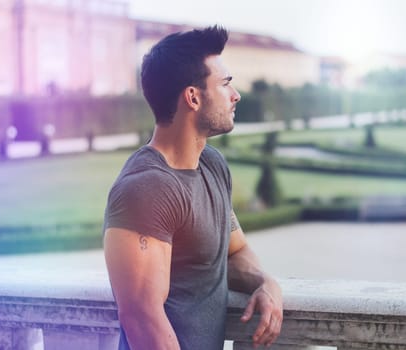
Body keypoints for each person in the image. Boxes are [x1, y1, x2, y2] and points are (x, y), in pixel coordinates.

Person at [103, 25, 283, 350]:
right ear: (193, 97)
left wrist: (266, 283)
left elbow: (233, 252)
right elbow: (143, 320)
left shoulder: (212, 165)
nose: (236, 94)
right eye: (225, 84)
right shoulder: (146, 189)